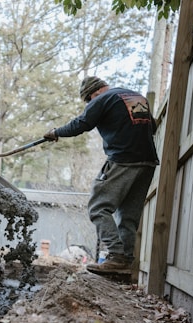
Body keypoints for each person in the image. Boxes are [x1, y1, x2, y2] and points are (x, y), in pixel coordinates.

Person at [43, 76, 159, 275]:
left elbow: (82, 123)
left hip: (123, 159)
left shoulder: (102, 99)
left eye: (89, 101)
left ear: (93, 94)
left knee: (98, 207)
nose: (90, 104)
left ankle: (116, 255)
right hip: (148, 162)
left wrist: (56, 132)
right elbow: (153, 127)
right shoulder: (135, 97)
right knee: (128, 216)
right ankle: (125, 265)